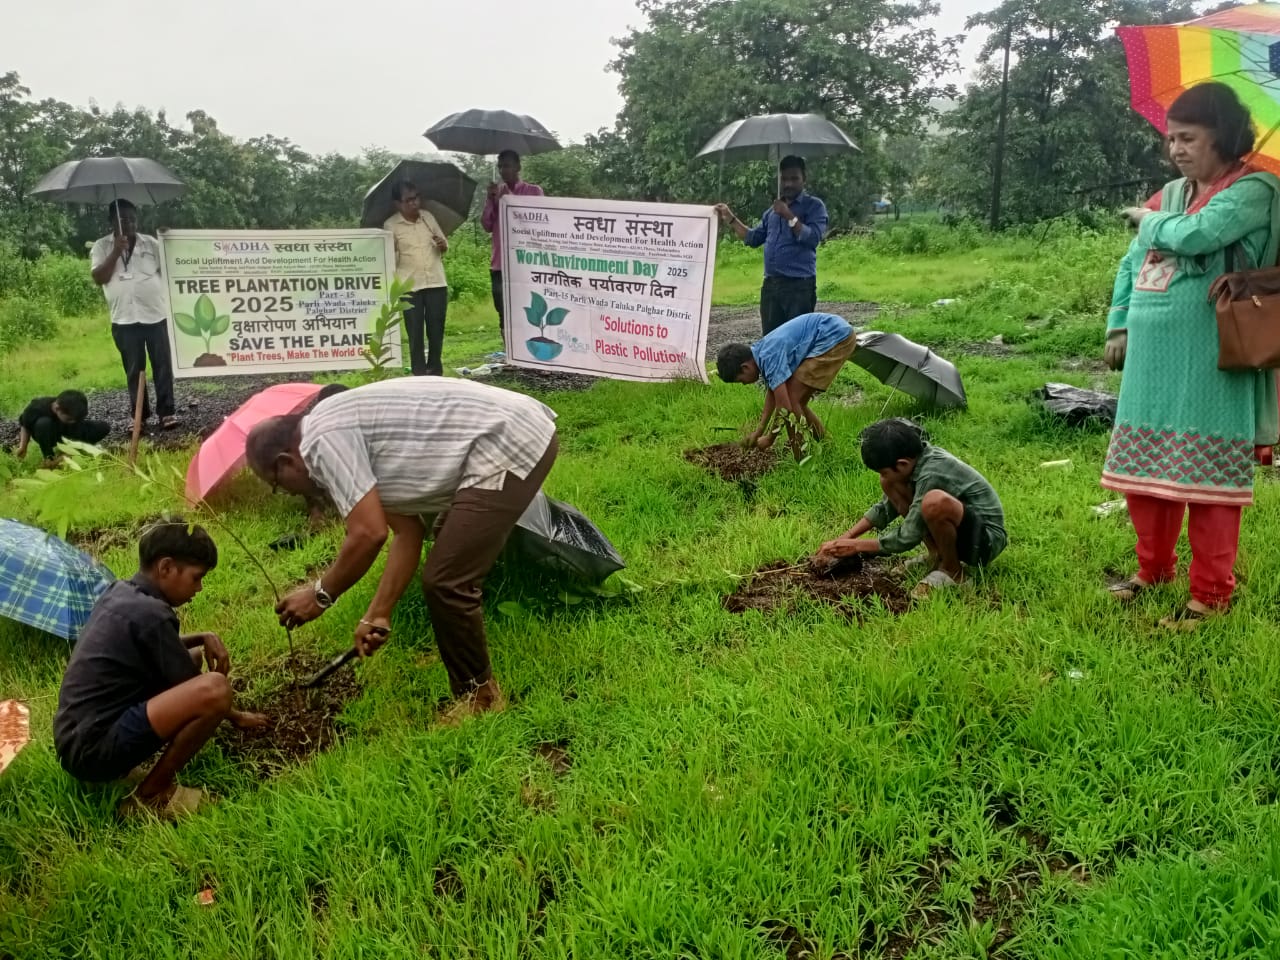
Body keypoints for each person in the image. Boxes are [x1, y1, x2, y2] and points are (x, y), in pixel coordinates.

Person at [244, 378, 559, 722]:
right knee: (446, 559)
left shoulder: (320, 439)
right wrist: (377, 613)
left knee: (447, 581)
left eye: (276, 485)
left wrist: (321, 595)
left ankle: (480, 698)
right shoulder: (333, 432)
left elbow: (368, 534)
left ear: (285, 461)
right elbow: (406, 532)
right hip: (504, 435)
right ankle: (476, 688)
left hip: (509, 438)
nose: (286, 493)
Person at [1105, 82, 1280, 630]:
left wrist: (1145, 218)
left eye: (1188, 138)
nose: (1176, 149)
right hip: (1151, 352)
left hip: (1214, 355)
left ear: (1222, 136)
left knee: (1209, 483)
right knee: (1143, 471)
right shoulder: (1172, 192)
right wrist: (1118, 322)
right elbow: (1134, 262)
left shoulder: (1257, 189)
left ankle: (1209, 595)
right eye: (1171, 139)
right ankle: (1151, 570)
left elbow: (1202, 234)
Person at [53, 521, 267, 819]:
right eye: (197, 577)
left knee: (190, 658)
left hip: (75, 740)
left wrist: (204, 635)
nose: (200, 587)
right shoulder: (152, 614)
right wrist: (235, 715)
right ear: (166, 567)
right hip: (93, 750)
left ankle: (127, 774)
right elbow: (198, 687)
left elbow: (160, 647)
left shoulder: (122, 593)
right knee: (216, 689)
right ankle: (152, 794)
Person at [816, 419, 1006, 598]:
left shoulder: (932, 473)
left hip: (984, 542)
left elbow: (908, 536)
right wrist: (846, 537)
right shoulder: (915, 464)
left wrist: (857, 546)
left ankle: (953, 571)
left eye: (883, 470)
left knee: (934, 502)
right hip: (964, 530)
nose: (883, 475)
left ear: (902, 464)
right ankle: (936, 555)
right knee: (890, 482)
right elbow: (885, 508)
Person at [90, 200, 179, 430]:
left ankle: (167, 413)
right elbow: (99, 277)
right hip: (124, 319)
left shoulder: (150, 244)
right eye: (122, 219)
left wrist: (171, 241)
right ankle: (139, 415)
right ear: (112, 221)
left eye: (132, 218)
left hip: (155, 315)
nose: (128, 223)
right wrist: (116, 251)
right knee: (133, 369)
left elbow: (172, 265)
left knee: (162, 365)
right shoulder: (101, 246)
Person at [715, 156, 829, 335]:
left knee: (796, 341)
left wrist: (789, 216)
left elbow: (813, 238)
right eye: (784, 179)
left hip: (798, 287)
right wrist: (730, 218)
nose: (788, 184)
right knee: (770, 342)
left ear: (804, 179)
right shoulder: (772, 212)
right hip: (771, 287)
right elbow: (753, 238)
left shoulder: (814, 206)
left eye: (794, 178)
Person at [716, 312, 856, 447]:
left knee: (792, 402)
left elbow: (784, 407)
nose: (745, 384)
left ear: (745, 367)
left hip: (834, 336)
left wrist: (770, 438)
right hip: (833, 332)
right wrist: (759, 431)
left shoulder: (768, 356)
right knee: (797, 402)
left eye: (741, 380)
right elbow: (773, 393)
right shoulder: (761, 354)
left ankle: (801, 457)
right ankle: (826, 445)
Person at [384, 182, 449, 376]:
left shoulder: (427, 217)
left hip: (436, 282)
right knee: (415, 334)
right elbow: (389, 258)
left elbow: (445, 246)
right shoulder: (391, 225)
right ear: (398, 203)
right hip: (409, 287)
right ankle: (419, 373)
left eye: (416, 197)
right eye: (408, 200)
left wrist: (441, 244)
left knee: (436, 331)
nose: (414, 203)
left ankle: (435, 370)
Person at [481, 150, 544, 331]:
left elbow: (542, 222)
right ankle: (510, 353)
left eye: (507, 165)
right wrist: (491, 200)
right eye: (500, 166)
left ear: (518, 167)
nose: (503, 170)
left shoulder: (533, 192)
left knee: (528, 310)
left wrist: (510, 201)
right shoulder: (496, 194)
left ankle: (526, 357)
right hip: (500, 264)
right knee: (503, 312)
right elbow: (486, 225)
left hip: (526, 263)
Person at [15, 389, 109, 463]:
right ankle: (49, 459)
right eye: (69, 419)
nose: (72, 421)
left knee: (104, 427)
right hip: (50, 434)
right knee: (43, 423)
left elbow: (76, 422)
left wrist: (76, 422)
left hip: (69, 432)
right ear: (57, 409)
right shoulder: (36, 408)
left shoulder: (72, 412)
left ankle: (73, 450)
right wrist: (23, 447)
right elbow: (25, 425)